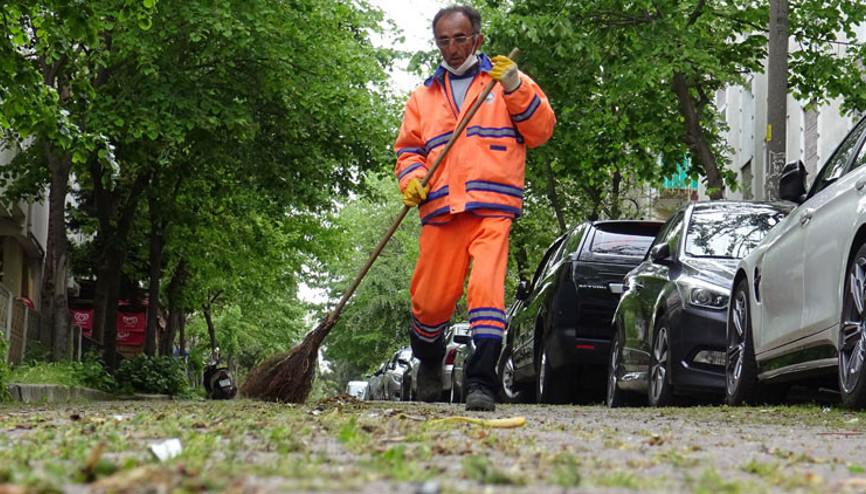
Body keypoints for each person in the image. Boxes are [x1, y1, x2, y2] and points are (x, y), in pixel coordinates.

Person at [394, 5, 555, 411]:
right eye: (444, 40)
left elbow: (541, 131)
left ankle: (481, 383)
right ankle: (429, 360)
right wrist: (411, 180)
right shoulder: (423, 96)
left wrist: (517, 86)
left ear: (477, 39)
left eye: (460, 38)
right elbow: (409, 151)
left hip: (491, 208)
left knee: (486, 292)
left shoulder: (504, 83)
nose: (452, 48)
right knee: (430, 302)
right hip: (441, 208)